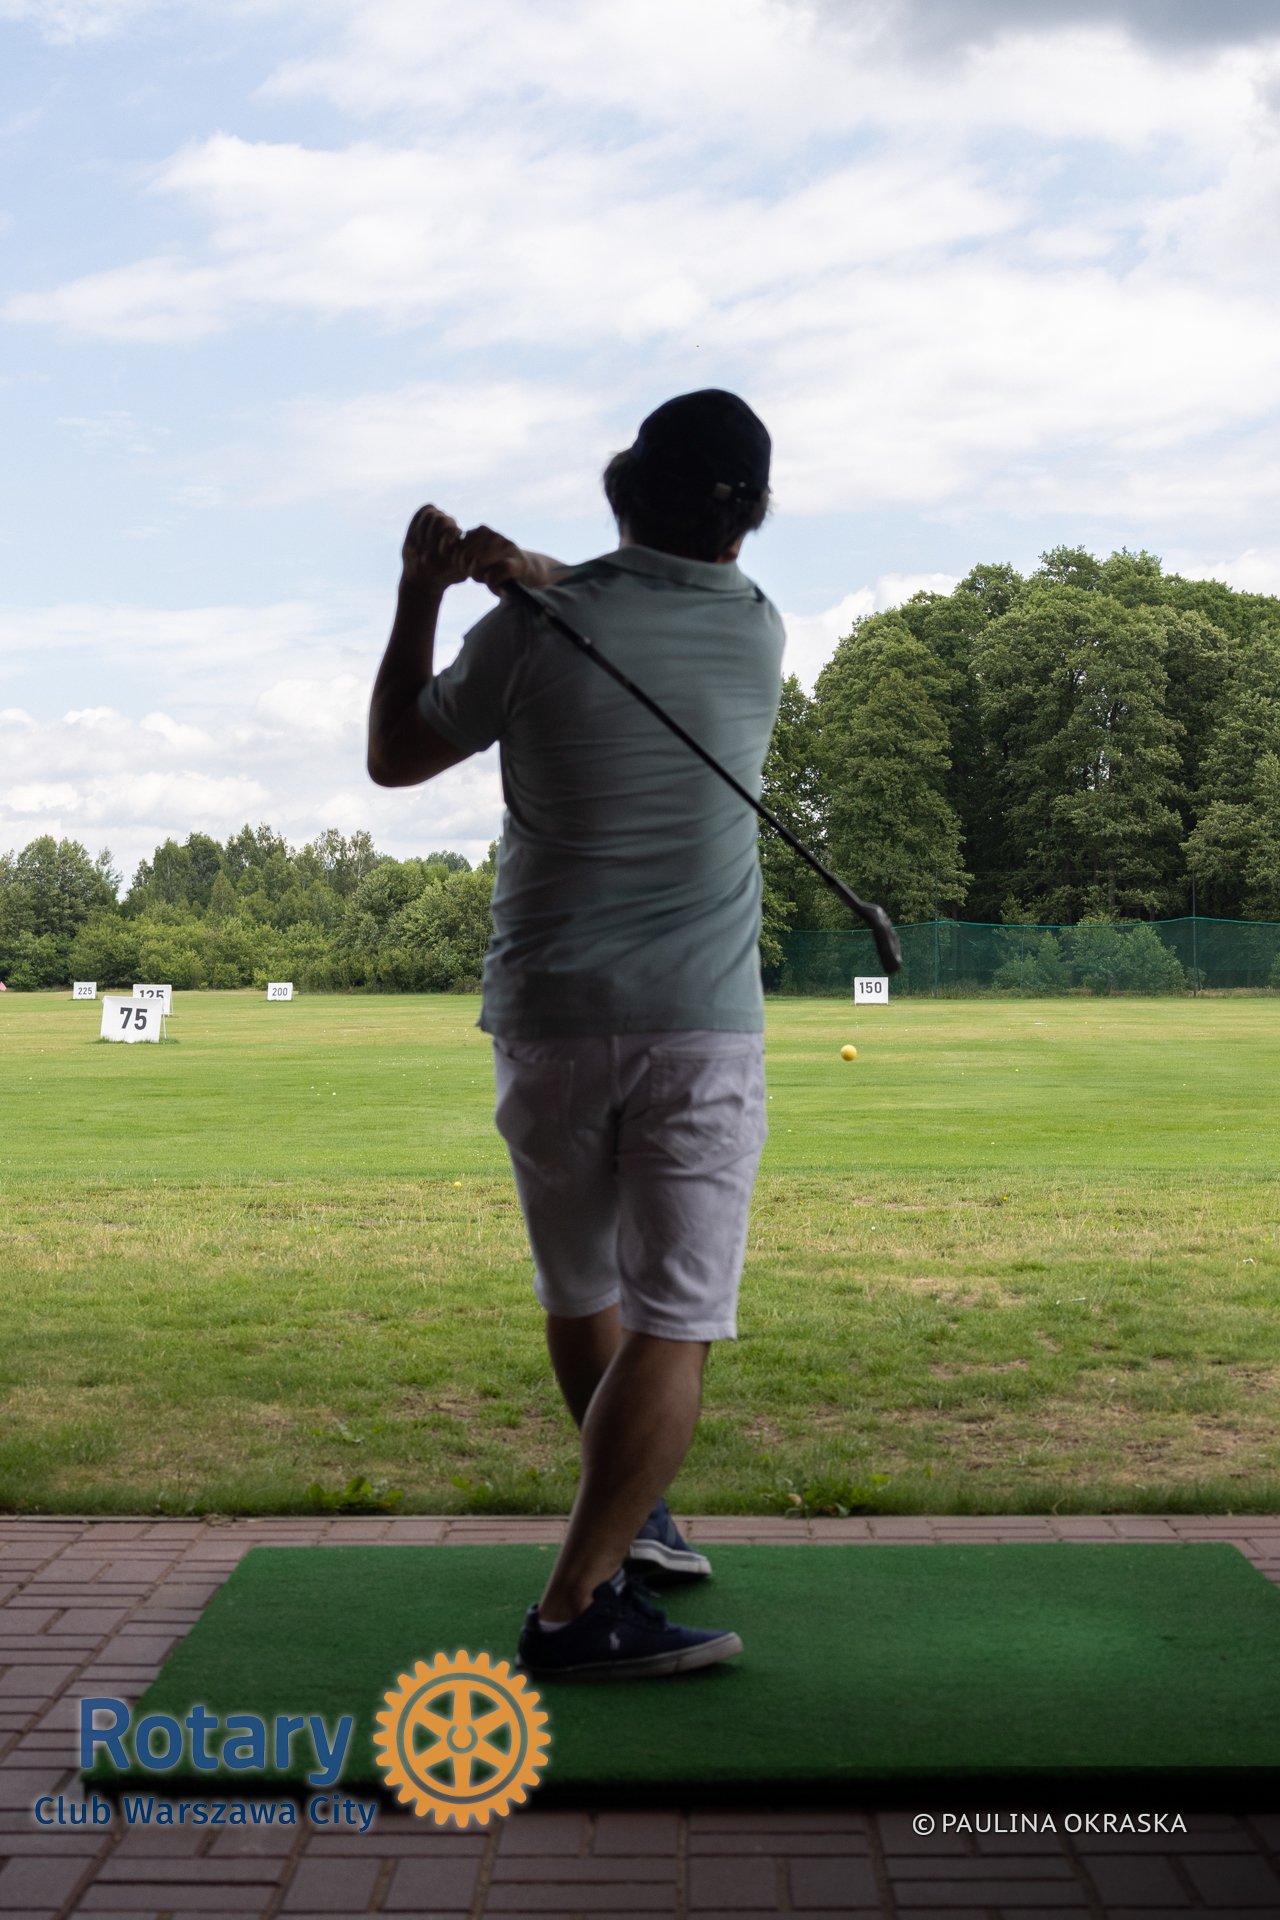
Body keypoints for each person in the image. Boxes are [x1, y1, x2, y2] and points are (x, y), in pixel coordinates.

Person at [367, 390, 784, 1679]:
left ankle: (632, 1523)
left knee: (583, 1290)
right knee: (674, 1321)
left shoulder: (531, 632)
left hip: (547, 1019)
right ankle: (573, 1606)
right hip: (697, 1028)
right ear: (747, 520)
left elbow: (395, 756)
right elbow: (636, 593)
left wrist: (426, 593)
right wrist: (528, 574)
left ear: (623, 493)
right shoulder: (757, 625)